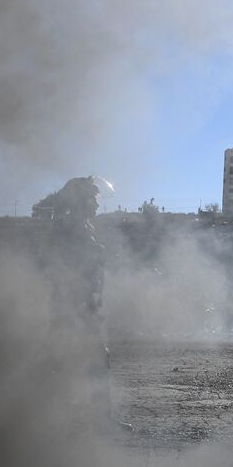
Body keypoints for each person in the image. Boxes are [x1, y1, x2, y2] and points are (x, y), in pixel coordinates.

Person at [41, 176, 132, 432]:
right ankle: (52, 418)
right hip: (71, 306)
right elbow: (57, 266)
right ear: (80, 200)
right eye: (92, 197)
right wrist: (76, 300)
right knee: (82, 359)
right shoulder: (68, 227)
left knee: (68, 360)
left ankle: (48, 417)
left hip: (82, 305)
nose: (96, 203)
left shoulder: (84, 227)